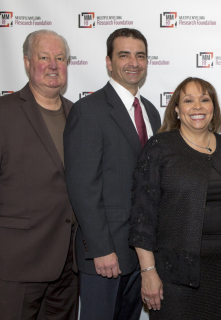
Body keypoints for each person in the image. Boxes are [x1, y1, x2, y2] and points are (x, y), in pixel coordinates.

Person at [129, 77, 221, 319]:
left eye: (205, 100)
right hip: (175, 274)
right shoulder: (159, 147)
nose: (197, 107)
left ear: (213, 108)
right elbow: (143, 216)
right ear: (176, 109)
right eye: (188, 100)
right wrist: (148, 271)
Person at [64, 28, 161, 320]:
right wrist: (100, 249)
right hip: (106, 256)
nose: (134, 62)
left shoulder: (152, 112)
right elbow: (83, 187)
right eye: (124, 55)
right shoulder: (88, 111)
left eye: (140, 55)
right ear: (108, 62)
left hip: (141, 253)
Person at [0, 30, 78, 320]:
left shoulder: (78, 115)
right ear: (27, 62)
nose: (54, 64)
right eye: (44, 57)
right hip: (16, 263)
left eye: (60, 58)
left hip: (68, 267)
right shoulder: (3, 113)